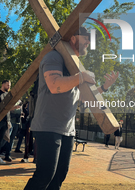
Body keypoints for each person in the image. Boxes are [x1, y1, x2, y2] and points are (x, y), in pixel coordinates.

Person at [24, 27, 119, 190]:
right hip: (48, 126)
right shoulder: (54, 57)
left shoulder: (76, 66)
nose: (89, 42)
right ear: (73, 38)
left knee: (59, 176)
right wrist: (81, 77)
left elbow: (81, 100)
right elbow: (55, 85)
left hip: (67, 130)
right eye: (86, 38)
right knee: (45, 175)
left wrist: (104, 87)